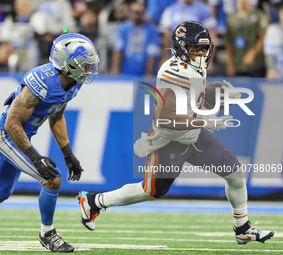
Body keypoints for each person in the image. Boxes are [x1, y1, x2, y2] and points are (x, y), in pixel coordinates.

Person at [78, 21, 274, 245]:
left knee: (235, 174)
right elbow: (166, 118)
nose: (201, 53)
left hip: (194, 134)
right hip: (169, 140)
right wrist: (206, 120)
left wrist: (217, 97)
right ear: (181, 48)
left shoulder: (192, 66)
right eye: (195, 49)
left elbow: (195, 101)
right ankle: (95, 201)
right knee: (151, 191)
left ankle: (243, 228)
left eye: (204, 48)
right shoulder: (174, 72)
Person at [0, 28, 99, 253]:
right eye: (85, 64)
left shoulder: (73, 82)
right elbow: (11, 124)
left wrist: (69, 155)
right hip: (6, 135)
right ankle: (48, 234)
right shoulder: (41, 82)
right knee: (52, 180)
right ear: (68, 64)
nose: (90, 69)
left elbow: (57, 117)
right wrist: (35, 158)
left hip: (19, 135)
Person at [111, 2, 160, 76]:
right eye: (136, 12)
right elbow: (118, 49)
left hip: (143, 72)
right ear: (130, 12)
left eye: (141, 12)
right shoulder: (123, 28)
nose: (138, 15)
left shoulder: (152, 30)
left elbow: (152, 53)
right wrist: (115, 69)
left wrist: (149, 73)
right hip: (126, 71)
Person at [224, 0, 268, 77]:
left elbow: (263, 37)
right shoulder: (231, 19)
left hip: (256, 64)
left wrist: (252, 53)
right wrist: (230, 63)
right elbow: (229, 43)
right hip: (238, 64)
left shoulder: (258, 15)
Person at [264, 3, 283, 79]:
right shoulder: (272, 30)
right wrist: (271, 69)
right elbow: (269, 53)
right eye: (282, 12)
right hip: (277, 76)